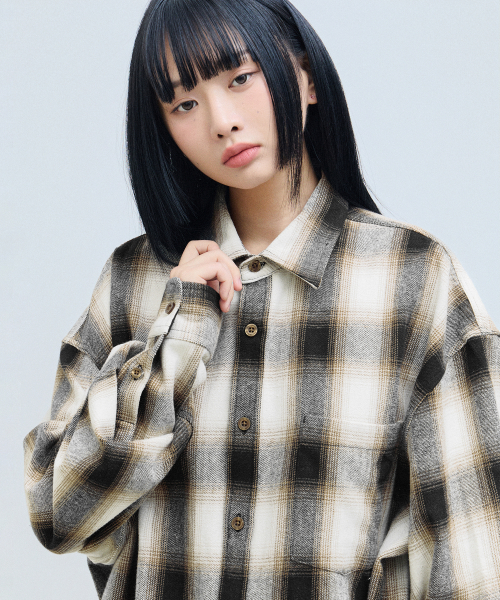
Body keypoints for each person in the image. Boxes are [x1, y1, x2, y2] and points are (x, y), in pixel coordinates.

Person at [23, 0, 500, 598]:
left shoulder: (415, 279)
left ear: (305, 78)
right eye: (184, 104)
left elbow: (471, 555)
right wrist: (176, 341)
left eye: (241, 78)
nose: (222, 121)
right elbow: (57, 515)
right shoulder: (133, 280)